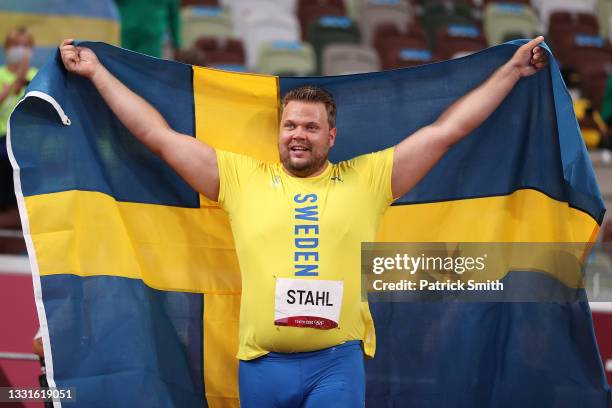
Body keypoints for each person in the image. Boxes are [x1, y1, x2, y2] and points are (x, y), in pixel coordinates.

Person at [58, 37, 548, 407]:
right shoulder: (239, 177)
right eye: (290, 125)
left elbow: (448, 130)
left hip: (335, 365)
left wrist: (510, 70)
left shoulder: (370, 178)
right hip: (260, 368)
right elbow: (157, 135)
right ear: (278, 132)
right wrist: (98, 73)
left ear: (331, 137)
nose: (299, 135)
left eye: (311, 127)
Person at [0, 27, 37, 228]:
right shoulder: (1, 74)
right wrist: (16, 80)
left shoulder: (37, 75)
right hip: (2, 137)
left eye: (25, 46)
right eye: (16, 45)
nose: (20, 50)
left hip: (28, 137)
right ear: (7, 48)